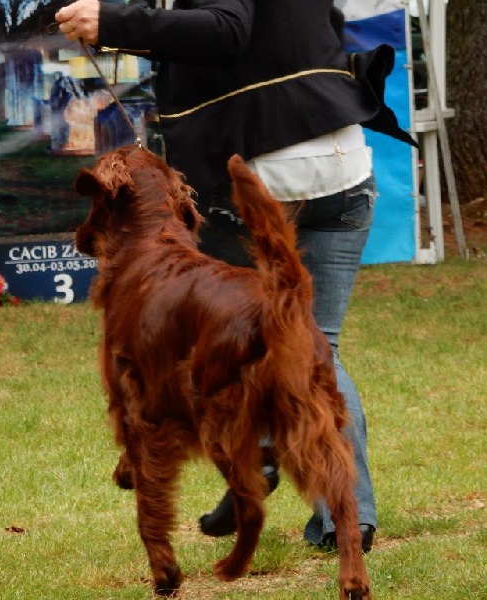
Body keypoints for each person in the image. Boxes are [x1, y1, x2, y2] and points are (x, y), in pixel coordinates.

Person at [55, 0, 417, 553]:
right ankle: (345, 515)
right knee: (313, 341)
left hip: (260, 170)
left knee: (247, 337)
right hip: (344, 162)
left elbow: (227, 30)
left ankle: (255, 458)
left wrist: (114, 23)